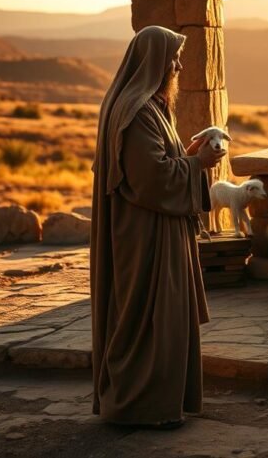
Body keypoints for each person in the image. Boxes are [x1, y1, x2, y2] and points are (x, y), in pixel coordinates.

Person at [89, 25, 226, 428]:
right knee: (150, 320)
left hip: (158, 230)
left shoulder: (149, 106)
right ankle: (139, 405)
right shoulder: (135, 111)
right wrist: (197, 165)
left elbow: (157, 164)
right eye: (174, 58)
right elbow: (151, 179)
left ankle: (160, 404)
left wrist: (187, 155)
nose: (179, 65)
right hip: (145, 236)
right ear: (155, 62)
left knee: (165, 319)